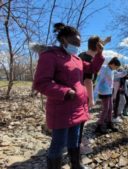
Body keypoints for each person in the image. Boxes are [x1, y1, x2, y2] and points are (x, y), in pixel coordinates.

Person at [33, 23, 104, 169]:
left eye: (79, 44)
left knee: (75, 140)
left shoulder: (76, 59)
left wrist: (99, 54)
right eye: (75, 43)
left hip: (78, 107)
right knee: (58, 144)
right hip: (61, 110)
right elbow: (41, 83)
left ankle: (76, 165)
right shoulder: (50, 55)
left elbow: (92, 68)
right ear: (64, 40)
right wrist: (64, 92)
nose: (77, 47)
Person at [93, 57, 127, 134]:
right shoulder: (104, 68)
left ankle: (109, 124)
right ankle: (99, 126)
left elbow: (119, 75)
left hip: (109, 91)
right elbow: (98, 80)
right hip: (104, 92)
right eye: (116, 66)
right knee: (106, 108)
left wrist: (125, 71)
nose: (117, 68)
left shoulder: (112, 70)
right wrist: (94, 94)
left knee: (110, 108)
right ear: (113, 64)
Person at [79, 35, 111, 107]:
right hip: (84, 92)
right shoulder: (89, 60)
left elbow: (97, 49)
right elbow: (87, 80)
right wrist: (91, 99)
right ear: (97, 46)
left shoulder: (82, 55)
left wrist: (106, 41)